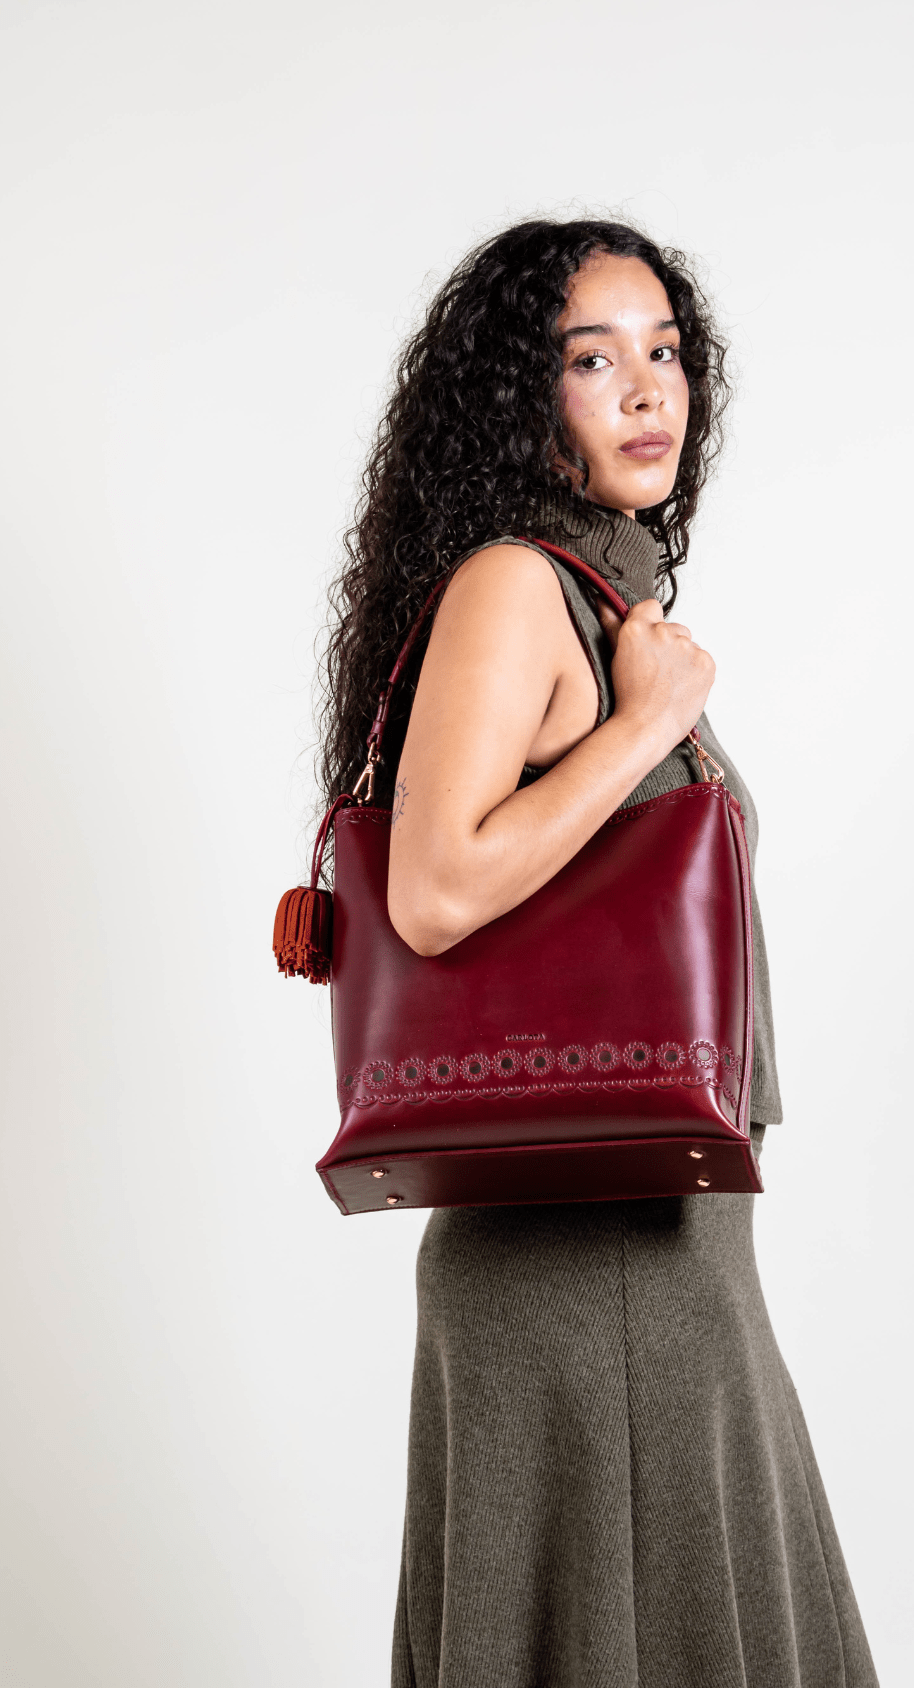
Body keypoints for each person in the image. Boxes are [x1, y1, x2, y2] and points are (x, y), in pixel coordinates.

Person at [318, 218, 879, 1688]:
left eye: (666, 352)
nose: (647, 390)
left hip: (666, 1251)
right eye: (591, 359)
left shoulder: (601, 598)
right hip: (590, 1279)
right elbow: (435, 888)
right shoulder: (517, 585)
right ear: (523, 396)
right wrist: (644, 726)